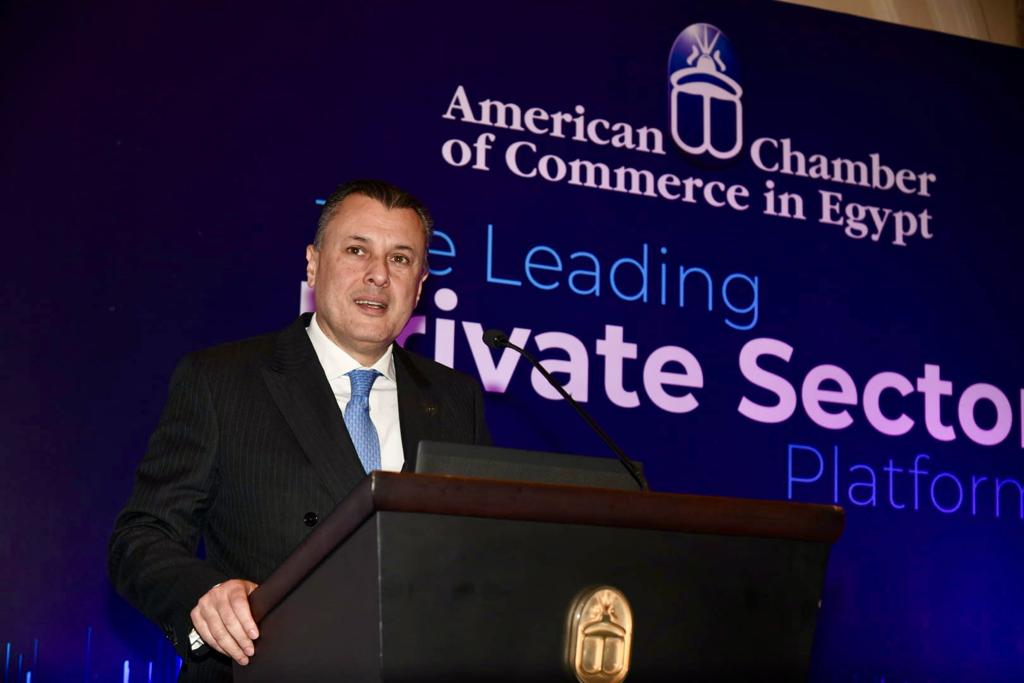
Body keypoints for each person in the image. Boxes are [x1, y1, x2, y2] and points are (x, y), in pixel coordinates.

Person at [109, 180, 491, 682]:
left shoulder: (457, 398)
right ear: (313, 264)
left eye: (400, 259)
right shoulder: (222, 380)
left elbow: (477, 555)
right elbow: (142, 537)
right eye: (357, 250)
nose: (378, 275)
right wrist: (205, 594)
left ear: (419, 286)